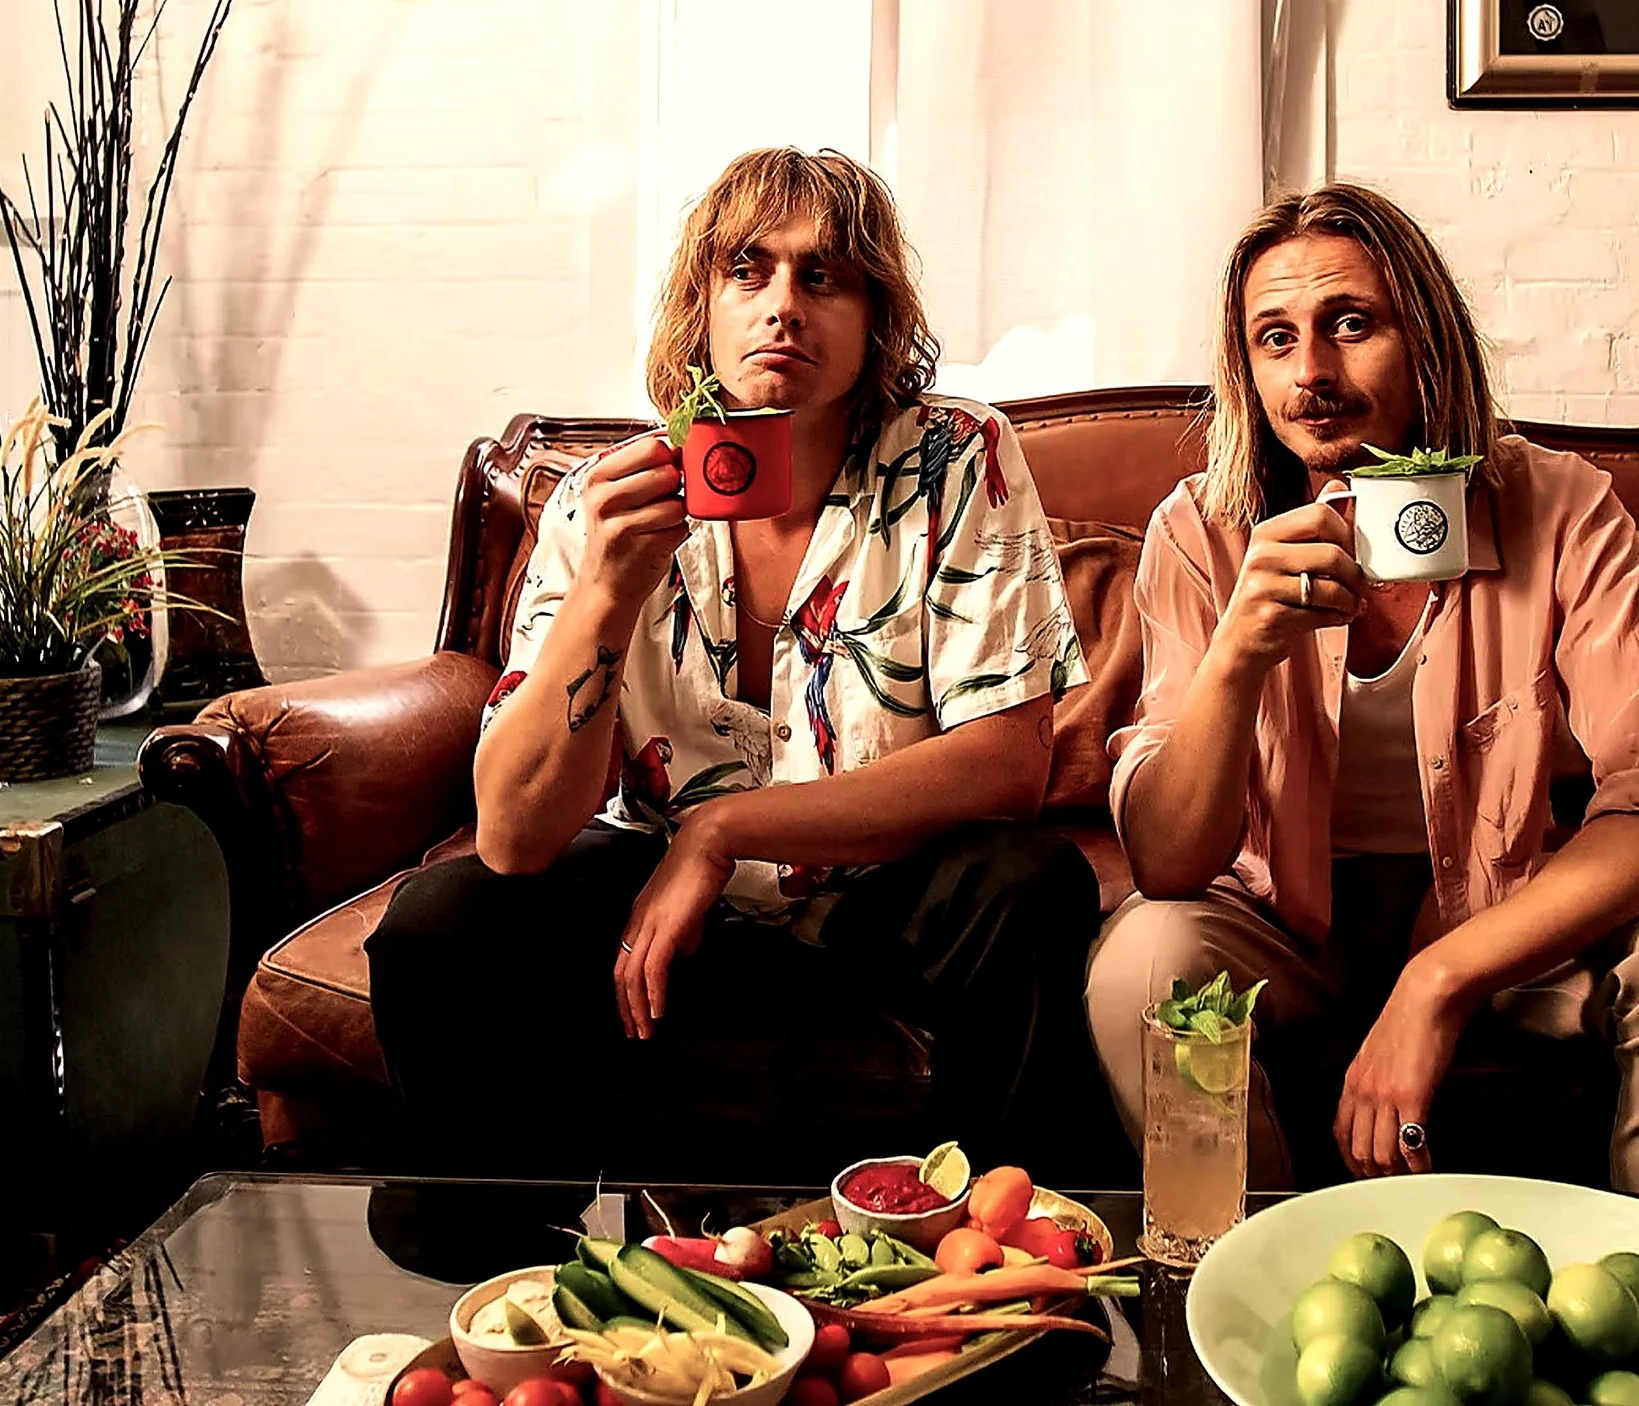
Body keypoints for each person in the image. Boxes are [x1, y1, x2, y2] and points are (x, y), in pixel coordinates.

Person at [367, 148, 1112, 1182]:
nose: (783, 307)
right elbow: (512, 833)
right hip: (655, 899)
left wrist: (722, 829)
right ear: (702, 307)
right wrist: (606, 593)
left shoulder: (953, 457)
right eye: (747, 270)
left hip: (881, 888)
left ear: (876, 317)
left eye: (824, 276)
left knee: (1031, 883)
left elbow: (1006, 763)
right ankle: (506, 1266)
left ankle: (1000, 1241)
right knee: (440, 923)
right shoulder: (603, 500)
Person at [1087, 183, 1639, 1238]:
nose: (1311, 373)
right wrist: (1237, 654)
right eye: (1275, 339)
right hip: (1280, 927)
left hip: (1502, 913)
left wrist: (1437, 980)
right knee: (1144, 960)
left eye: (1350, 324)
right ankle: (1241, 1279)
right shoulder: (1201, 530)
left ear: (1427, 339)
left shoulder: (1559, 505)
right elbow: (1168, 864)